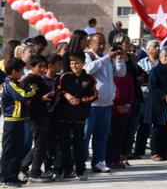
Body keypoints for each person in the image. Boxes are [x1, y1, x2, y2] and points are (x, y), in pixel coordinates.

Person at [83, 32, 126, 174]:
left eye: (103, 43)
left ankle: (99, 162)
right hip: (92, 105)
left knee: (101, 136)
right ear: (90, 44)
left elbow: (120, 73)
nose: (101, 46)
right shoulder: (87, 55)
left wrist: (119, 59)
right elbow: (88, 69)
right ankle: (80, 161)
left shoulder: (106, 58)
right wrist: (108, 57)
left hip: (106, 104)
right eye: (98, 43)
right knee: (85, 135)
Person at [54, 52, 96, 181]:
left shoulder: (89, 79)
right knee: (63, 144)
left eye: (77, 63)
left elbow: (94, 94)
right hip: (64, 116)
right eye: (72, 63)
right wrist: (66, 95)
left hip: (80, 116)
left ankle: (80, 170)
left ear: (83, 63)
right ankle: (63, 170)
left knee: (79, 144)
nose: (74, 66)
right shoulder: (64, 77)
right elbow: (57, 89)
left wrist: (81, 100)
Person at [2, 59, 37, 186]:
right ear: (13, 71)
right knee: (9, 151)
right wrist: (33, 89)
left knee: (17, 150)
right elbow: (23, 96)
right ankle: (6, 177)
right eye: (20, 70)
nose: (22, 73)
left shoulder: (16, 83)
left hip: (19, 120)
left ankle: (13, 176)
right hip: (11, 121)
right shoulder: (10, 84)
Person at [22, 55, 55, 182]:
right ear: (32, 67)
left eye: (44, 67)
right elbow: (26, 100)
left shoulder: (39, 79)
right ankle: (34, 173)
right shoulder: (28, 80)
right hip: (34, 117)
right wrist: (41, 99)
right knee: (40, 144)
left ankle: (23, 166)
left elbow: (46, 94)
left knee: (41, 144)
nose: (43, 69)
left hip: (43, 115)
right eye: (40, 67)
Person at [145, 48, 167, 162]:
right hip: (157, 103)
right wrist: (165, 96)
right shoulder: (155, 71)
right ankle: (155, 152)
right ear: (160, 57)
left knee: (166, 128)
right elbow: (152, 87)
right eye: (165, 56)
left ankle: (164, 151)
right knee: (157, 128)